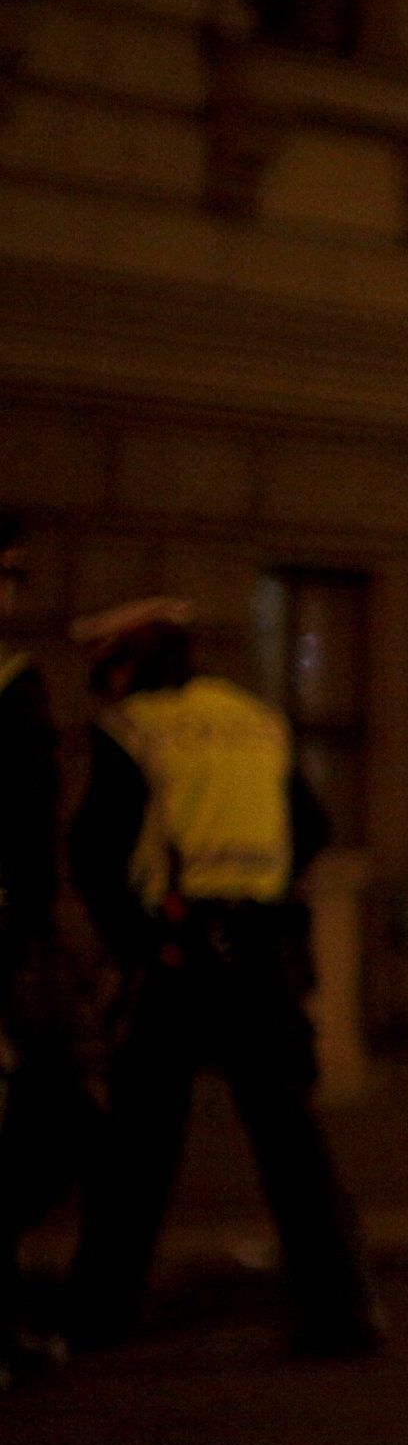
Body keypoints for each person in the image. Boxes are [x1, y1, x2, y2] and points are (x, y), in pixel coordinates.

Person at [65, 598, 380, 1359]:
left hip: (179, 956)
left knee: (139, 1148)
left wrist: (134, 944)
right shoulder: (257, 720)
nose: (102, 686)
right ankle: (340, 1314)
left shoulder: (135, 729)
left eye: (106, 668)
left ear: (128, 664)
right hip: (261, 956)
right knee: (290, 1144)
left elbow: (94, 855)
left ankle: (98, 1316)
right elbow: (311, 826)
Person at [0, 514, 80, 1383]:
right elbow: (31, 831)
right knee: (41, 1122)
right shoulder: (12, 685)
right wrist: (34, 941)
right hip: (4, 939)